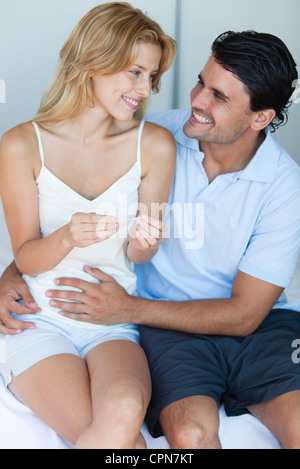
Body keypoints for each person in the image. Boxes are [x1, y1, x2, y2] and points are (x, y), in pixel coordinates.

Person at [1, 30, 300, 449]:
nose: (197, 100)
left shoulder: (285, 185)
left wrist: (128, 308)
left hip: (254, 326)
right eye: (201, 82)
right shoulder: (152, 135)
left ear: (261, 118)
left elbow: (246, 315)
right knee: (191, 435)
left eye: (219, 96)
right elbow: (45, 224)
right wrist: (11, 273)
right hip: (168, 328)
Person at [0, 2, 177, 449]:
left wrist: (146, 242)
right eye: (135, 72)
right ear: (93, 61)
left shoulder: (154, 144)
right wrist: (66, 236)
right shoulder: (22, 144)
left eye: (152, 77)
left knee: (121, 413)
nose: (146, 89)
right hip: (39, 320)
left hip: (113, 321)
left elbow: (140, 254)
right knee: (123, 443)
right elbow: (26, 256)